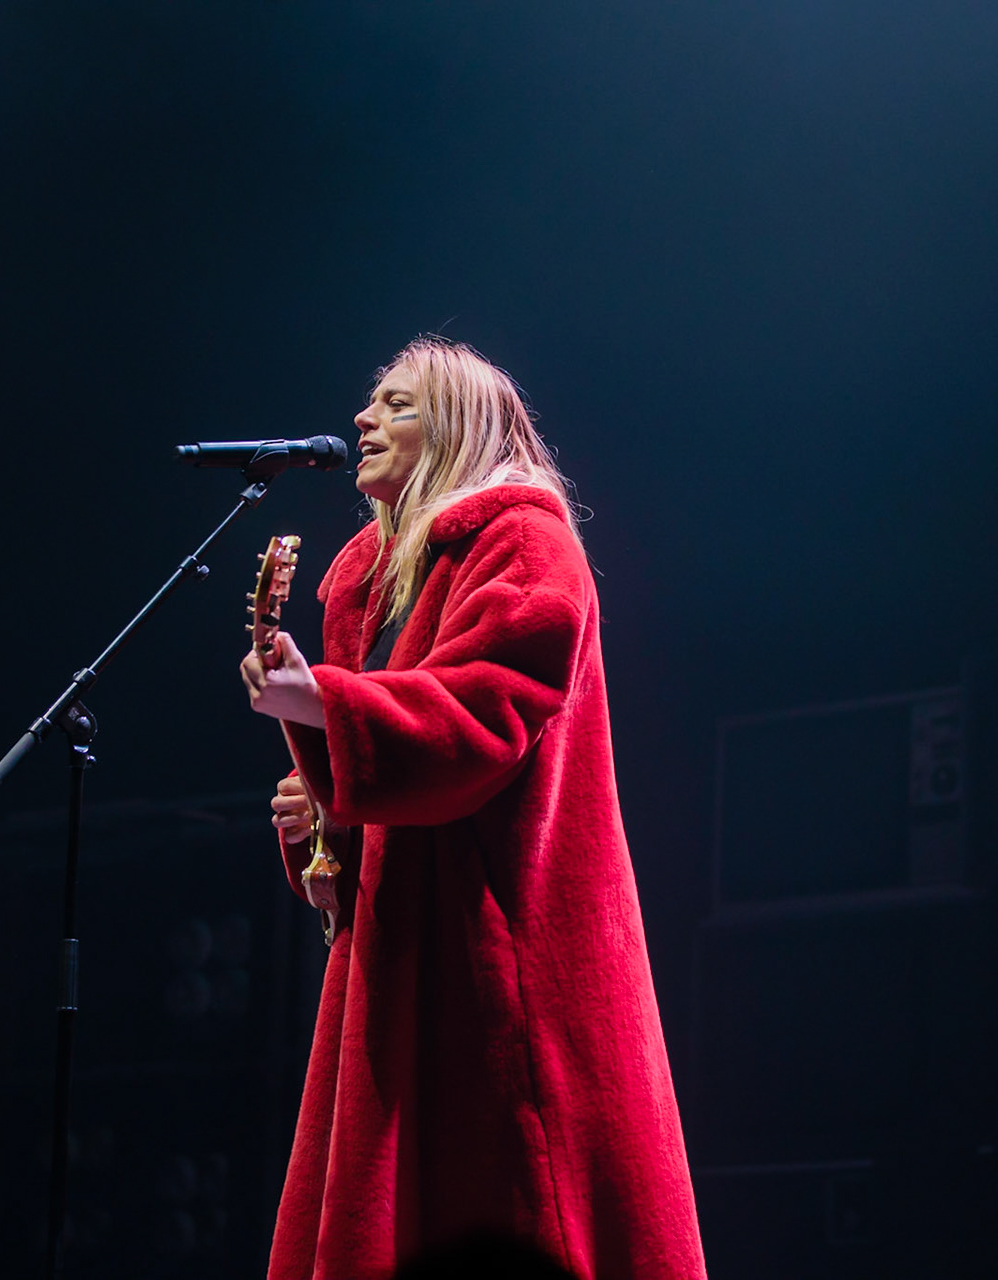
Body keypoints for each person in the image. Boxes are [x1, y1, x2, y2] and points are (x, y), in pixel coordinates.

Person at [239, 337, 706, 1279]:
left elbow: (484, 715)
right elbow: (391, 790)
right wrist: (324, 825)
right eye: (370, 402)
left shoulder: (527, 542)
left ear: (459, 428)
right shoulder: (369, 578)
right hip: (402, 953)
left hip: (500, 948)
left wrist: (324, 703)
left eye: (397, 404)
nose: (365, 419)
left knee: (511, 1204)